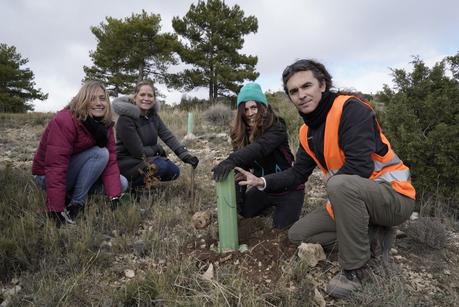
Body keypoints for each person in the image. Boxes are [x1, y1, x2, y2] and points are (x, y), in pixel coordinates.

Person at [234, 59, 415, 298]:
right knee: (298, 235)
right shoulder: (306, 132)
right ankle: (374, 237)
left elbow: (359, 166)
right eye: (294, 91)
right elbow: (297, 173)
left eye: (306, 86)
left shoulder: (351, 109)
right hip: (350, 198)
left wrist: (337, 195)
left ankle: (355, 270)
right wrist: (262, 182)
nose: (301, 95)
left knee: (339, 184)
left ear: (322, 84)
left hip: (394, 196)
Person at [32, 81, 129, 226]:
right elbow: (56, 166)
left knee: (122, 183)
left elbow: (111, 163)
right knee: (100, 153)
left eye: (102, 98)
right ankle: (77, 204)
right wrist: (55, 209)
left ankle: (72, 195)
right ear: (83, 101)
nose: (98, 103)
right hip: (46, 176)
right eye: (92, 98)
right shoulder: (65, 120)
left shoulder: (105, 125)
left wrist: (114, 197)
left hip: (74, 172)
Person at [212, 82, 304, 229]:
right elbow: (241, 165)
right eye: (245, 109)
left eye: (254, 107)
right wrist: (236, 207)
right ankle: (261, 206)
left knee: (281, 229)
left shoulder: (277, 126)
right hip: (262, 186)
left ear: (262, 106)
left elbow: (259, 148)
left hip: (288, 187)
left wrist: (231, 160)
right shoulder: (239, 133)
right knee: (244, 212)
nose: (249, 113)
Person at [113, 80, 199, 189]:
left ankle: (141, 184)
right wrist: (157, 148)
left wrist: (185, 155)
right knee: (161, 166)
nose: (146, 98)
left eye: (150, 95)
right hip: (127, 162)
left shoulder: (153, 116)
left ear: (154, 100)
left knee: (174, 171)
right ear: (135, 97)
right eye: (142, 95)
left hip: (144, 159)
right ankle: (130, 186)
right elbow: (138, 152)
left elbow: (168, 136)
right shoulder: (126, 119)